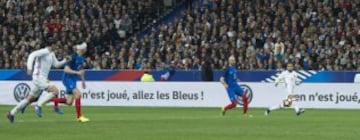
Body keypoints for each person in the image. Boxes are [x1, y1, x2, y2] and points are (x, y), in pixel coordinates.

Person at [7, 37, 69, 123]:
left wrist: (65, 60)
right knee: (55, 91)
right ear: (53, 44)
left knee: (30, 99)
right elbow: (32, 55)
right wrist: (29, 67)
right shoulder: (44, 51)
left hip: (42, 79)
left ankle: (11, 113)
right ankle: (38, 105)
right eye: (56, 44)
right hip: (38, 77)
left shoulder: (51, 53)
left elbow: (57, 65)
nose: (57, 46)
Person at [51, 42, 90, 122]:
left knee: (69, 102)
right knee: (78, 94)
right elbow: (66, 70)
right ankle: (79, 117)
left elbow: (80, 70)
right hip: (67, 79)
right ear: (83, 49)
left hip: (73, 80)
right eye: (85, 48)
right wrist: (77, 73)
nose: (86, 49)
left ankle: (50, 100)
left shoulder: (81, 58)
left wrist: (83, 81)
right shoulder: (72, 57)